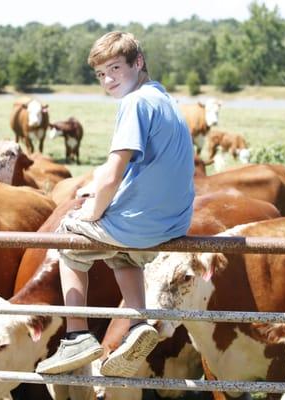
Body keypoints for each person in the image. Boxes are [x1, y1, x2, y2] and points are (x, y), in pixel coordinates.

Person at [35, 31, 195, 378]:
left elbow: (112, 175)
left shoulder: (134, 103)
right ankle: (138, 322)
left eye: (115, 68)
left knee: (70, 238)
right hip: (175, 222)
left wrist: (89, 212)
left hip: (144, 222)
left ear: (138, 63)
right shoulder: (167, 101)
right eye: (100, 74)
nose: (108, 80)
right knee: (117, 248)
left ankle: (77, 335)